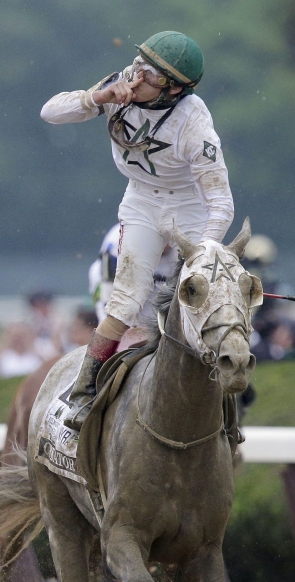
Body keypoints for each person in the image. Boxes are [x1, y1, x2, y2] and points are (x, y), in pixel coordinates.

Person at [41, 31, 234, 427]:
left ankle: (227, 403)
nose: (138, 76)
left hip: (189, 206)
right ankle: (83, 391)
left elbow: (221, 203)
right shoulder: (121, 82)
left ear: (175, 89)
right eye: (140, 64)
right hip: (142, 200)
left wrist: (208, 251)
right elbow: (50, 112)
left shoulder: (194, 122)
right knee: (126, 298)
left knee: (205, 297)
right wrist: (98, 98)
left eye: (152, 74)